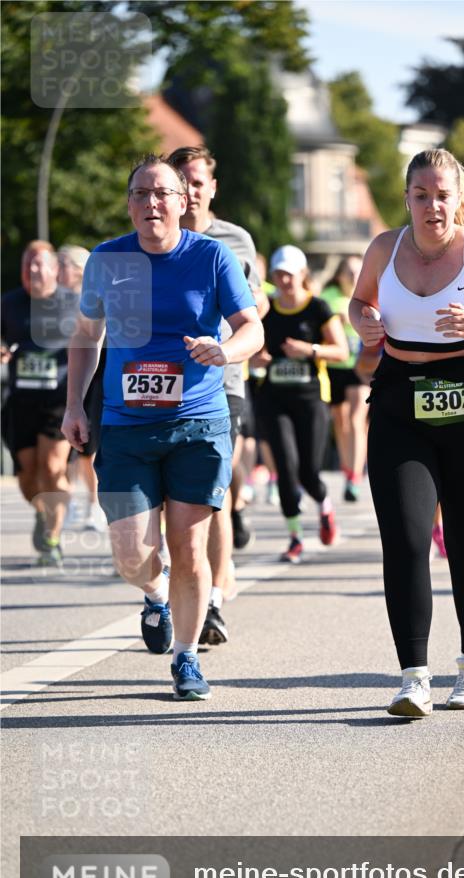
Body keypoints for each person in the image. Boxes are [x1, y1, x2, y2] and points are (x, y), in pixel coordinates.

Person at [61, 153, 263, 700]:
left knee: (190, 549)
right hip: (125, 425)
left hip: (198, 421)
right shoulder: (106, 260)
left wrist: (225, 350)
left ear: (182, 201)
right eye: (140, 194)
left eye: (162, 193)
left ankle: (188, 658)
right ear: (130, 204)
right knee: (130, 553)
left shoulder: (212, 257)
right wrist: (75, 406)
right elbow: (85, 335)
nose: (152, 202)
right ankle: (155, 597)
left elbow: (252, 328)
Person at [349, 148, 464, 717]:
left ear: (460, 200)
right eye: (422, 195)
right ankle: (413, 677)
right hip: (400, 403)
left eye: (443, 195)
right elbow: (360, 302)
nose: (433, 206)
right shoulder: (385, 248)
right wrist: (364, 322)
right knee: (405, 541)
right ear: (406, 198)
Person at [167, 144, 269, 641]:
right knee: (173, 499)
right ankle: (181, 587)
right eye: (179, 181)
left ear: (212, 187)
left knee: (214, 495)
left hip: (222, 382)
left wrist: (241, 332)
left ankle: (212, 601)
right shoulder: (153, 239)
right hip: (161, 383)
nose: (189, 191)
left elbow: (253, 305)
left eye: (197, 181)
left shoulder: (235, 241)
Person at [256, 244, 348, 563]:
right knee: (285, 466)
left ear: (303, 275)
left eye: (289, 275)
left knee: (309, 472)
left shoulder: (318, 308)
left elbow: (341, 352)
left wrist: (309, 350)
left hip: (311, 398)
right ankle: (295, 537)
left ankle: (324, 508)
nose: (283, 281)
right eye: (278, 274)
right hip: (274, 398)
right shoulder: (266, 309)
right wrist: (260, 358)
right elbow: (252, 350)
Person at [1, 241, 80, 567]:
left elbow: (93, 342)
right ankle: (42, 512)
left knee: (52, 468)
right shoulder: (8, 304)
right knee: (28, 477)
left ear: (53, 270)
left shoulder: (74, 304)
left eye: (39, 264)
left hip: (58, 399)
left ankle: (52, 539)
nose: (32, 270)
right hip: (20, 401)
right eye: (27, 264)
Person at [58, 244, 106, 532]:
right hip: (62, 381)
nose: (57, 270)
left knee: (88, 448)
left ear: (78, 270)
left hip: (93, 380)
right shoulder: (54, 300)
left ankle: (93, 504)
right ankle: (76, 501)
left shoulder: (91, 297)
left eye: (63, 264)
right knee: (71, 449)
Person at [320, 256, 367, 501]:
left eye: (358, 272)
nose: (353, 276)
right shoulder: (329, 295)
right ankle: (348, 467)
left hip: (361, 366)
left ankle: (354, 478)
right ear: (339, 275)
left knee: (357, 418)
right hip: (335, 366)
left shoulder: (370, 293)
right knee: (340, 421)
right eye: (348, 272)